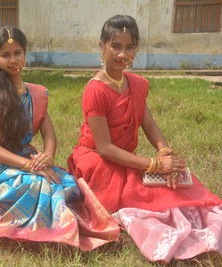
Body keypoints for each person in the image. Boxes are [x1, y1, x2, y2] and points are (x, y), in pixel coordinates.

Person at [67, 15, 222, 262]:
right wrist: (155, 165)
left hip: (129, 159)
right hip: (99, 162)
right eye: (115, 46)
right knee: (148, 198)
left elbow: (148, 123)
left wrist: (164, 152)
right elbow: (105, 148)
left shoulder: (136, 84)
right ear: (102, 46)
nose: (122, 54)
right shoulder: (95, 89)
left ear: (137, 48)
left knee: (183, 183)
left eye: (129, 47)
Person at [0, 26, 119, 250]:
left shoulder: (37, 93)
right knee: (36, 183)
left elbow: (49, 135)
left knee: (66, 183)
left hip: (29, 159)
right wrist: (29, 165)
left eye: (17, 53)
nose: (13, 59)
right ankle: (36, 233)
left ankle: (57, 230)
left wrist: (47, 157)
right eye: (6, 55)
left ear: (25, 52)